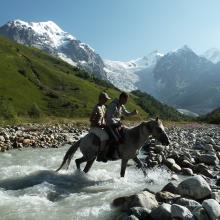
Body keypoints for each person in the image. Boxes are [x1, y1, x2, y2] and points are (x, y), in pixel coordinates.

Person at [89, 92, 111, 162]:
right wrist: (100, 125)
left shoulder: (104, 106)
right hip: (95, 128)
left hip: (101, 127)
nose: (106, 100)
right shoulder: (96, 108)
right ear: (101, 99)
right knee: (105, 136)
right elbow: (91, 119)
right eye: (105, 99)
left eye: (106, 99)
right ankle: (100, 155)